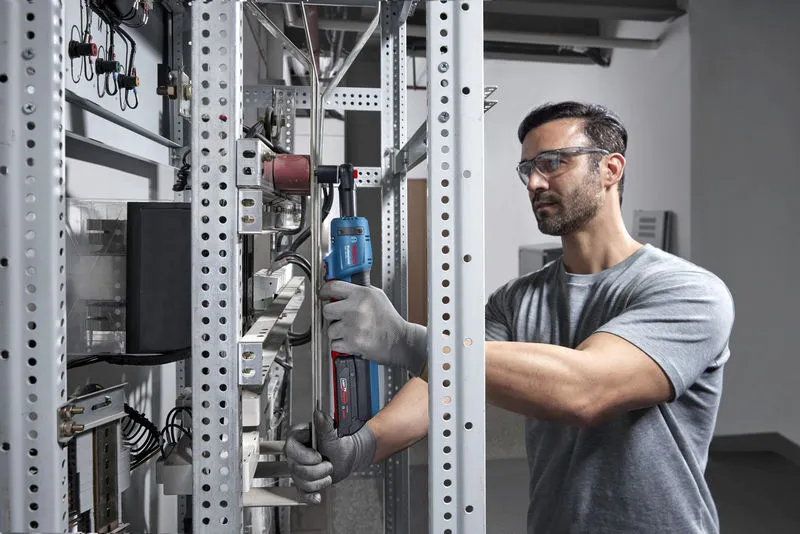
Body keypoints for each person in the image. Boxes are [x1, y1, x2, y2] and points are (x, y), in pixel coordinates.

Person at [283, 101, 735, 533]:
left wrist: (407, 339)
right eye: (528, 169)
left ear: (611, 169)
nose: (535, 183)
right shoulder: (517, 300)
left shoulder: (689, 292)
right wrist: (362, 445)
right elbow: (441, 384)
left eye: (554, 162)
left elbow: (587, 391)